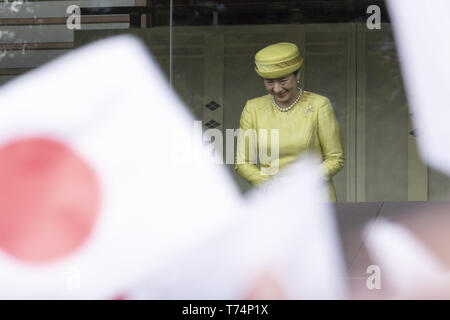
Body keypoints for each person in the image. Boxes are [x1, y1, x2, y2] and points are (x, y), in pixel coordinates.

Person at [235, 42, 344, 202]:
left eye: (283, 80)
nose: (277, 89)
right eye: (269, 82)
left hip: (315, 199)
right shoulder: (253, 108)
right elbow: (242, 162)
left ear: (297, 75)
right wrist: (268, 184)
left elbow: (335, 159)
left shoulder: (319, 105)